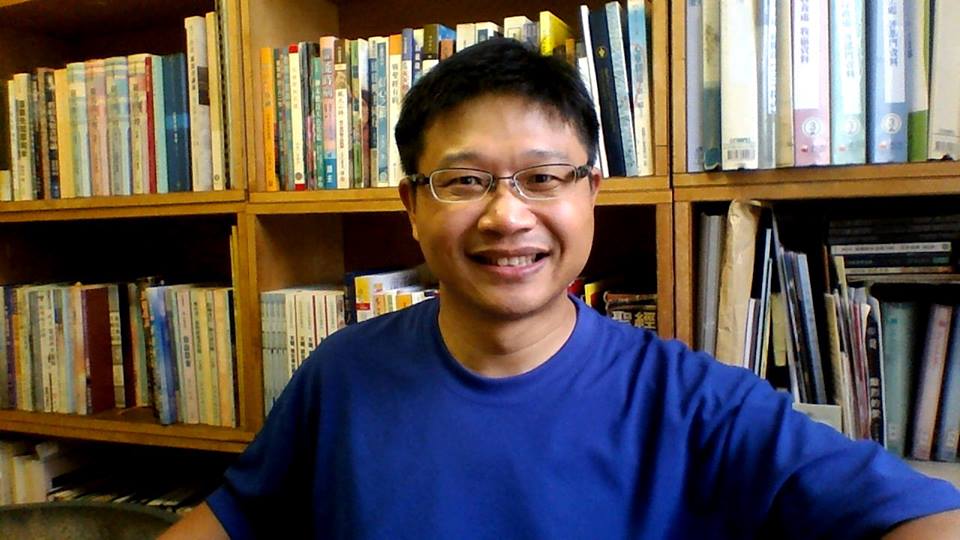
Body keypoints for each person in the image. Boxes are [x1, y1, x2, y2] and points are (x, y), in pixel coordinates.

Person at [162, 38, 960, 539]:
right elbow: (234, 518)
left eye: (543, 178)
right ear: (411, 206)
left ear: (591, 195)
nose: (507, 216)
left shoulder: (692, 403)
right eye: (464, 180)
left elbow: (926, 517)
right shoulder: (342, 375)